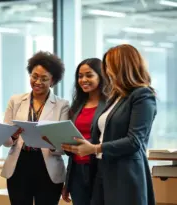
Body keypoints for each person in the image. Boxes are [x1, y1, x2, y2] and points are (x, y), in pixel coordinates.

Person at [62, 44, 157, 205]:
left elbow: (134, 141)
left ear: (123, 67)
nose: (107, 72)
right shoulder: (116, 97)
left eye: (109, 67)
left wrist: (94, 148)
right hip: (103, 171)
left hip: (125, 174)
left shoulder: (142, 95)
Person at [1, 51, 69, 205]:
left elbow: (63, 146)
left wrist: (50, 142)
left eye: (44, 79)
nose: (37, 82)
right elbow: (5, 140)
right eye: (34, 76)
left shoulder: (62, 105)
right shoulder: (16, 100)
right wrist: (12, 136)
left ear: (53, 81)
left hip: (47, 167)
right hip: (19, 164)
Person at [62, 58, 106, 205]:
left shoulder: (110, 105)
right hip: (77, 170)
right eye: (80, 76)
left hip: (99, 169)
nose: (83, 80)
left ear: (101, 76)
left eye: (89, 75)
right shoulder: (77, 106)